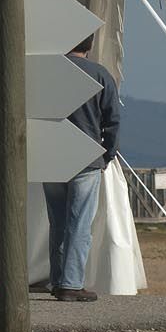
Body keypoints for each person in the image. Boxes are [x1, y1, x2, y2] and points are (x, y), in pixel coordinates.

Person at [41, 37, 120, 302]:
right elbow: (112, 120)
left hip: (51, 157)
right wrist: (107, 153)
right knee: (80, 223)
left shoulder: (48, 73)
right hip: (86, 158)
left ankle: (57, 279)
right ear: (89, 46)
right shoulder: (100, 74)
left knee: (58, 222)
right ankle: (71, 283)